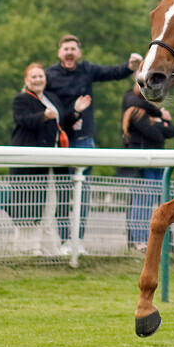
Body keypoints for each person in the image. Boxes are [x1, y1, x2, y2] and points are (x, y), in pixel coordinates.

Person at [46, 35, 143, 254]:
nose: (69, 52)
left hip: (84, 141)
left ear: (79, 53)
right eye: (65, 48)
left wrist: (130, 66)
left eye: (73, 49)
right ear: (59, 52)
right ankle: (63, 242)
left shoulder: (87, 70)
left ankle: (77, 241)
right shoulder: (49, 75)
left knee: (84, 191)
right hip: (61, 140)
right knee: (63, 192)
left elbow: (113, 73)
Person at [10, 64, 91, 254]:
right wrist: (43, 116)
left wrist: (76, 112)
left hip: (53, 162)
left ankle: (49, 249)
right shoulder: (21, 99)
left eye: (40, 76)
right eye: (34, 77)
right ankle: (27, 249)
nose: (38, 80)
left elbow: (62, 123)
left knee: (50, 206)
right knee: (29, 207)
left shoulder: (51, 98)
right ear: (26, 80)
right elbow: (23, 120)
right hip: (31, 163)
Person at [119, 82, 174, 253]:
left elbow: (171, 132)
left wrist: (157, 122)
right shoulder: (135, 111)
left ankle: (163, 241)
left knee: (161, 202)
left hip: (157, 162)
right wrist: (161, 120)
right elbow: (157, 135)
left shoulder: (149, 111)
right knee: (142, 202)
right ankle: (140, 241)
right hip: (143, 164)